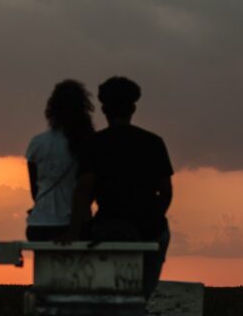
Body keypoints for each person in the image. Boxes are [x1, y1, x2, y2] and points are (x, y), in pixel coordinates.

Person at [70, 76, 173, 298]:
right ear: (133, 108)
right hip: (148, 228)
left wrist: (76, 228)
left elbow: (84, 190)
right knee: (159, 245)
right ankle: (144, 295)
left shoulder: (94, 144)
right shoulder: (153, 143)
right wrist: (152, 221)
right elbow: (166, 192)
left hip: (108, 225)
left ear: (105, 110)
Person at [25, 80, 95, 241]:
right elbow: (88, 190)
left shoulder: (37, 143)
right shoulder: (87, 142)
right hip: (75, 226)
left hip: (39, 225)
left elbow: (35, 190)